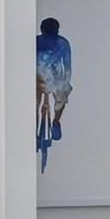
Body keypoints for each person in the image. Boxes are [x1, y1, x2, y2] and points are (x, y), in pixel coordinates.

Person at [34, 16, 73, 170]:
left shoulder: (62, 43)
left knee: (61, 95)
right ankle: (38, 127)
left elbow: (67, 66)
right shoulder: (36, 42)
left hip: (55, 76)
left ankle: (56, 121)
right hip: (39, 77)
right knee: (35, 103)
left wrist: (63, 82)